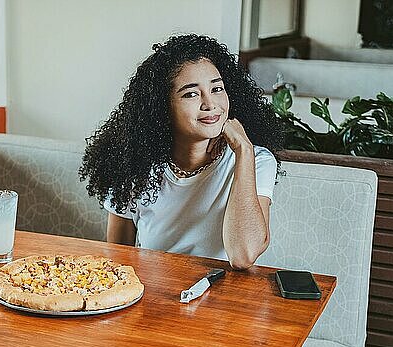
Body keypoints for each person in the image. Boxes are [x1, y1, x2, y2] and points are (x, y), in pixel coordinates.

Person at [79, 34, 285, 269]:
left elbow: (243, 256)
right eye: (191, 94)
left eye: (217, 88)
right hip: (153, 299)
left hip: (224, 301)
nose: (210, 104)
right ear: (162, 107)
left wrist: (244, 150)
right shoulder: (133, 164)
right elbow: (117, 260)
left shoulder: (255, 160)